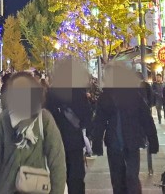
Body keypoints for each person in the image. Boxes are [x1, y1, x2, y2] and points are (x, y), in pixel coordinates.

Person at [0, 71, 66, 194]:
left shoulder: (44, 119)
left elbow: (57, 161)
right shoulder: (3, 121)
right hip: (9, 188)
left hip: (34, 188)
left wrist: (57, 190)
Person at [92, 62, 158, 194]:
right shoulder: (106, 96)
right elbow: (99, 121)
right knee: (119, 180)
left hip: (131, 142)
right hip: (115, 144)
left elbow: (145, 117)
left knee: (130, 178)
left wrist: (153, 139)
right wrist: (97, 142)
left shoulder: (132, 94)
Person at [45, 58, 93, 194]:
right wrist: (87, 131)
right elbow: (86, 116)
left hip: (56, 141)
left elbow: (46, 116)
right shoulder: (79, 91)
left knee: (57, 177)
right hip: (75, 142)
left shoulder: (52, 92)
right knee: (76, 178)